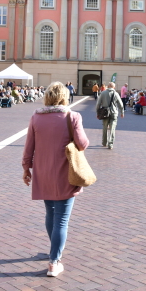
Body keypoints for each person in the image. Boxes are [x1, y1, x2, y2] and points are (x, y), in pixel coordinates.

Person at [22, 82, 89, 278]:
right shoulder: (72, 116)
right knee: (62, 218)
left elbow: (29, 146)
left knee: (50, 213)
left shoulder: (36, 117)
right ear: (64, 97)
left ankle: (54, 251)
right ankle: (54, 261)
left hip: (43, 172)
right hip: (65, 172)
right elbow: (83, 144)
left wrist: (26, 168)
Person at [97, 82, 124, 149]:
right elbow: (120, 104)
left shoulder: (103, 93)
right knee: (112, 129)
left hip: (105, 113)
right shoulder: (116, 94)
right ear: (114, 87)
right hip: (114, 113)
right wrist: (122, 112)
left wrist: (98, 113)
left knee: (105, 128)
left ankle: (104, 142)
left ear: (108, 86)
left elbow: (98, 104)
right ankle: (110, 144)